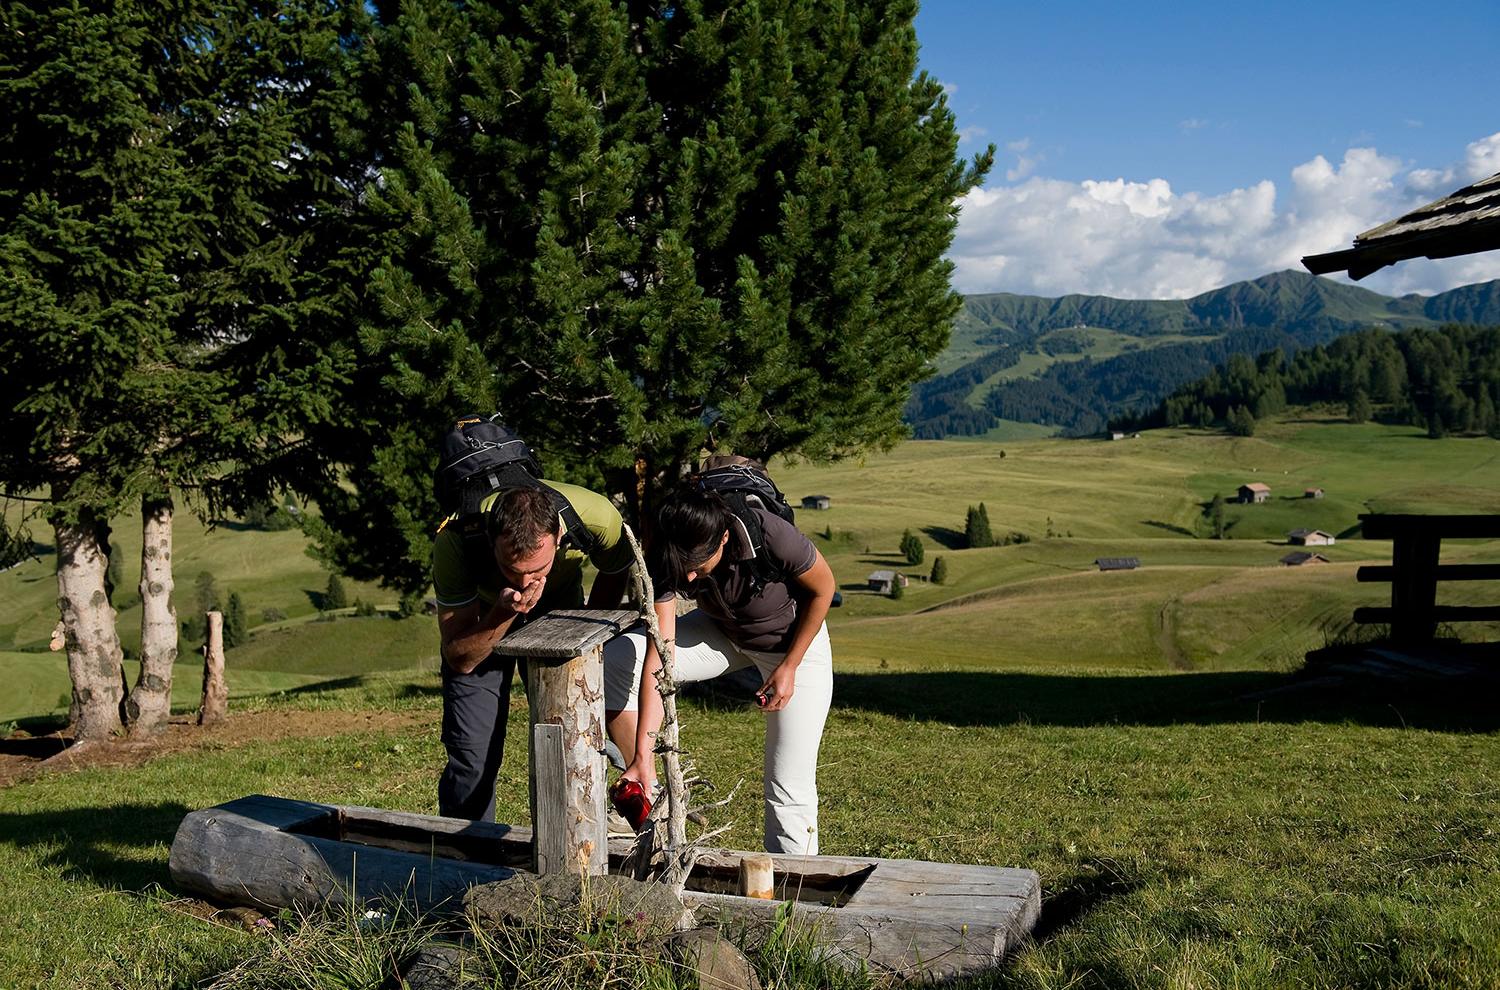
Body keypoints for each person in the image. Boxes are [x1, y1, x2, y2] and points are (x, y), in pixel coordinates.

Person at [604, 488, 837, 855]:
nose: (692, 578)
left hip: (792, 645)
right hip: (724, 633)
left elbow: (824, 590)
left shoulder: (771, 536)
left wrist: (789, 666)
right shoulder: (668, 554)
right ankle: (648, 788)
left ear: (725, 537)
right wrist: (643, 755)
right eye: (686, 567)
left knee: (787, 783)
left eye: (699, 563)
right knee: (617, 658)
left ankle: (794, 894)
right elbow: (658, 657)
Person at [432, 483, 632, 821]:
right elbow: (459, 657)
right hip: (484, 615)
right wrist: (505, 612)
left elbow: (616, 567)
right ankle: (466, 862)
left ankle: (573, 839)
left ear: (558, 536)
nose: (526, 582)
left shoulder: (596, 517)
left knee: (569, 735)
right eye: (512, 569)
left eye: (537, 569)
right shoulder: (456, 539)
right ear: (492, 541)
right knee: (472, 753)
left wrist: (587, 630)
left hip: (559, 609)